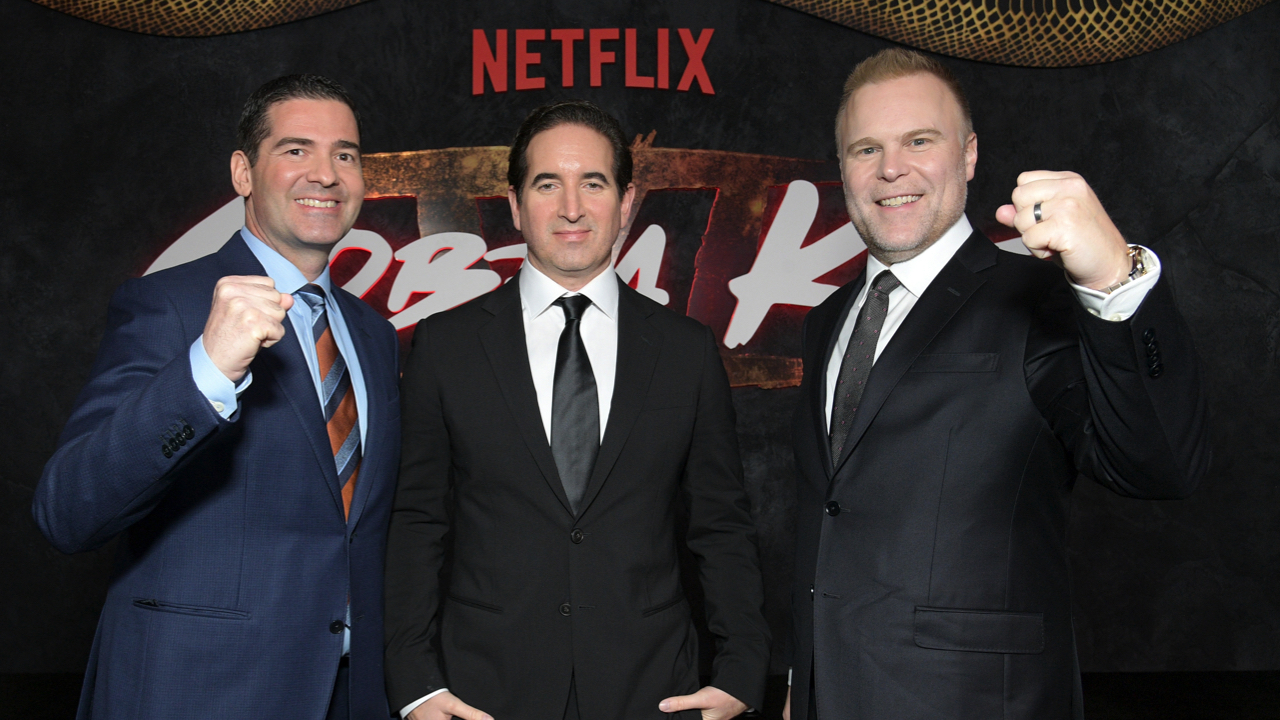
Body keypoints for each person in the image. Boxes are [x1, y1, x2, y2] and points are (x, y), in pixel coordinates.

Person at [784, 48, 1210, 720]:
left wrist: (1112, 282)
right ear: (841, 169)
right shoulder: (826, 322)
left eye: (919, 140)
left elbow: (1161, 462)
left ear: (970, 155)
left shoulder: (1038, 302)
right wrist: (804, 679)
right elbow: (832, 522)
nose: (890, 168)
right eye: (866, 148)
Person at [384, 100, 770, 720]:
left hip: (652, 690)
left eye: (593, 183)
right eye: (547, 184)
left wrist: (743, 671)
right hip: (483, 692)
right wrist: (414, 685)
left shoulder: (686, 351)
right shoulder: (445, 346)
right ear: (514, 205)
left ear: (625, 201)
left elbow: (721, 526)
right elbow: (416, 525)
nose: (571, 207)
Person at [32, 75, 400, 719]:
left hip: (354, 693)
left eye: (345, 154)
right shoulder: (168, 304)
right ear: (242, 173)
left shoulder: (373, 334)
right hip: (202, 690)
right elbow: (68, 511)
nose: (326, 173)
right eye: (295, 150)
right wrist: (206, 370)